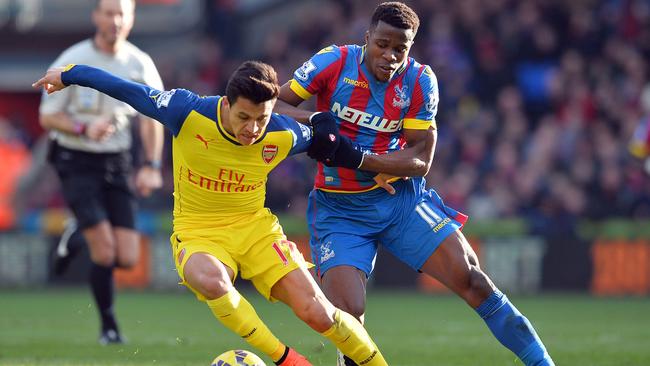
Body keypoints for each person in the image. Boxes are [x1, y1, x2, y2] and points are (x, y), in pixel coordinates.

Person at [33, 61, 388, 366]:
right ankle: (288, 359)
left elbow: (335, 147)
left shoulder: (284, 133)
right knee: (212, 279)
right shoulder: (187, 111)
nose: (252, 129)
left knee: (319, 312)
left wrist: (379, 167)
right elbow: (129, 90)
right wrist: (71, 73)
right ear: (227, 104)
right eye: (243, 117)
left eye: (261, 119)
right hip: (198, 232)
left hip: (256, 231)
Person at [275, 2, 555, 366]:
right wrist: (315, 118)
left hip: (401, 203)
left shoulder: (421, 80)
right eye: (383, 44)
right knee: (349, 315)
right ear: (367, 38)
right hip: (339, 209)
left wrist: (358, 158)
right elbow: (275, 106)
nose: (390, 55)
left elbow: (421, 160)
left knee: (474, 282)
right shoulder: (333, 61)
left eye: (400, 48)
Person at [37, 0, 164, 345]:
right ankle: (109, 327)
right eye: (109, 13)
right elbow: (47, 116)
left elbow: (155, 117)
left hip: (117, 162)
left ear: (132, 19)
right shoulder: (73, 58)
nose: (116, 20)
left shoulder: (140, 63)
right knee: (105, 252)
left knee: (127, 256)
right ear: (96, 17)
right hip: (75, 160)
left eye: (123, 13)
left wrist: (151, 166)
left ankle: (77, 232)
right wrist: (81, 128)